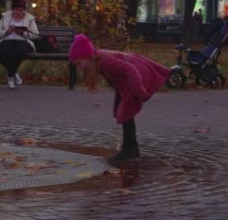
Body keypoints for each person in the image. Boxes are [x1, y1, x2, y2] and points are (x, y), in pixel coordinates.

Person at [68, 34, 171, 163]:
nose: (79, 67)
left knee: (126, 114)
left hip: (136, 76)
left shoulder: (105, 61)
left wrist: (140, 91)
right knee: (125, 114)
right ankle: (131, 149)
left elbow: (130, 70)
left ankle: (129, 151)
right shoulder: (98, 60)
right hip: (128, 80)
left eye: (79, 63)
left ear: (88, 57)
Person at [0, 0, 39, 88]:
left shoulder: (29, 18)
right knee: (1, 51)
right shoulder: (5, 17)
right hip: (7, 41)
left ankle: (10, 76)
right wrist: (7, 31)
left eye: (21, 10)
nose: (19, 12)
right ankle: (14, 72)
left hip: (23, 41)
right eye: (17, 10)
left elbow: (36, 34)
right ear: (13, 9)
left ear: (24, 10)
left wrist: (23, 33)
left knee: (20, 51)